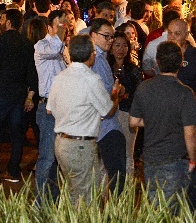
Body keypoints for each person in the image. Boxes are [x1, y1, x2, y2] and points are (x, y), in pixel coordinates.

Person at [47, 35, 121, 206]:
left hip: (62, 143)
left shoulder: (60, 77)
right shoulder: (91, 79)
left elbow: (50, 109)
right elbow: (108, 110)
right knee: (86, 198)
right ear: (90, 54)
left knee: (75, 191)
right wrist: (116, 94)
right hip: (80, 144)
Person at [129, 41, 196, 214]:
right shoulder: (184, 92)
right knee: (173, 210)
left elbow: (133, 121)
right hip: (175, 159)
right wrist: (193, 159)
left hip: (151, 159)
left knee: (155, 207)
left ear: (157, 62)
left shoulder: (144, 88)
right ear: (181, 62)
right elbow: (190, 133)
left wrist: (156, 119)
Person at [0, 9, 36, 185]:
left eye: (3, 20)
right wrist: (30, 95)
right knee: (17, 134)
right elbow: (31, 71)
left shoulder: (0, 41)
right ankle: (13, 170)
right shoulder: (27, 43)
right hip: (19, 94)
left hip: (1, 93)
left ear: (9, 22)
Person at [166, 18, 196, 211]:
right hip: (170, 120)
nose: (172, 37)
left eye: (177, 34)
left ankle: (193, 204)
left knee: (192, 160)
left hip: (191, 119)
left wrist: (189, 98)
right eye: (170, 33)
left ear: (187, 35)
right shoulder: (165, 55)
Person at [33, 9, 67, 203]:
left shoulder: (63, 47)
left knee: (56, 158)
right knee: (47, 158)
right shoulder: (42, 45)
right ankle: (40, 202)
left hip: (62, 108)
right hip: (47, 108)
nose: (64, 27)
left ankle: (53, 199)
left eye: (66, 24)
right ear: (49, 27)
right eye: (60, 24)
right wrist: (61, 38)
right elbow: (54, 51)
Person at [90, 18, 126, 196]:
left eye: (112, 37)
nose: (110, 40)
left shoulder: (101, 58)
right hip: (106, 126)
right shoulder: (96, 60)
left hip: (102, 126)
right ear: (93, 35)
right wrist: (116, 93)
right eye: (106, 36)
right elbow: (105, 99)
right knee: (116, 177)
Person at [109, 31, 142, 175]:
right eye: (117, 45)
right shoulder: (105, 68)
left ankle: (127, 184)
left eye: (124, 45)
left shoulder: (133, 70)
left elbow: (138, 93)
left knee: (128, 153)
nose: (121, 49)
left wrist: (125, 95)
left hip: (127, 113)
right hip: (109, 114)